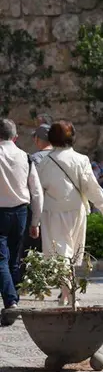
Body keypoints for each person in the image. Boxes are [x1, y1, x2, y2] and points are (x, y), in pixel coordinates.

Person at [38, 121, 103, 302]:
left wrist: (34, 218)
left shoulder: (44, 162)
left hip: (52, 212)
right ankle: (67, 294)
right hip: (76, 212)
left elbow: (37, 190)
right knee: (69, 254)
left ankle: (67, 293)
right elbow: (91, 186)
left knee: (60, 254)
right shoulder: (81, 160)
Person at [0, 119, 42, 320]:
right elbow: (36, 191)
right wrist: (36, 221)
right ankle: (13, 299)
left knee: (1, 259)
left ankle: (11, 301)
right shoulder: (25, 157)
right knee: (15, 259)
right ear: (15, 137)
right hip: (20, 212)